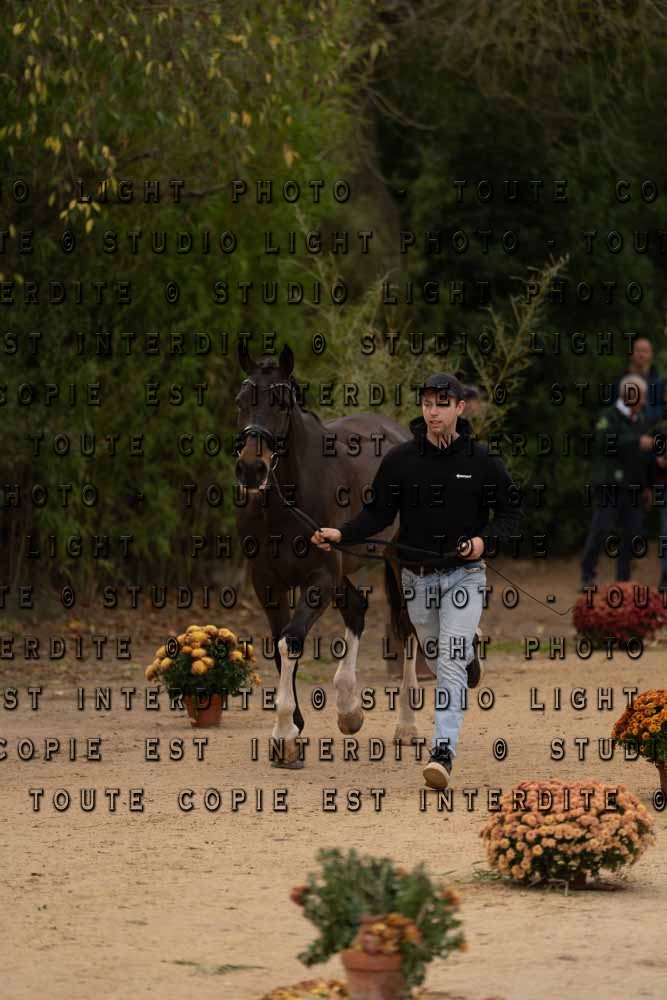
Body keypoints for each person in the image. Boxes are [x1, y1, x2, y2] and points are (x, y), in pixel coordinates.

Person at [311, 372, 523, 790]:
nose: (433, 411)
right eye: (428, 403)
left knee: (448, 664)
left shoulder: (482, 461)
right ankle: (469, 650)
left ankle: (442, 752)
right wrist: (341, 534)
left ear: (460, 408)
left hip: (464, 576)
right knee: (439, 653)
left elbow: (512, 514)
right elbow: (377, 514)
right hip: (416, 580)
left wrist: (484, 542)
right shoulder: (400, 460)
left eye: (442, 404)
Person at [580, 373, 654, 589]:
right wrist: (636, 441)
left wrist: (647, 485)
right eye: (641, 397)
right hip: (610, 484)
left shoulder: (641, 420)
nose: (643, 402)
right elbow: (605, 442)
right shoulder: (608, 416)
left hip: (633, 487)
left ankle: (623, 579)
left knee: (632, 532)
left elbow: (643, 458)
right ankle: (587, 574)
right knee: (601, 529)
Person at [612, 337, 665, 427]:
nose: (641, 355)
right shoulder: (619, 381)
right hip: (625, 429)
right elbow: (614, 408)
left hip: (653, 430)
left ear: (651, 354)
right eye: (638, 350)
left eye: (645, 351)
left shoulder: (660, 382)